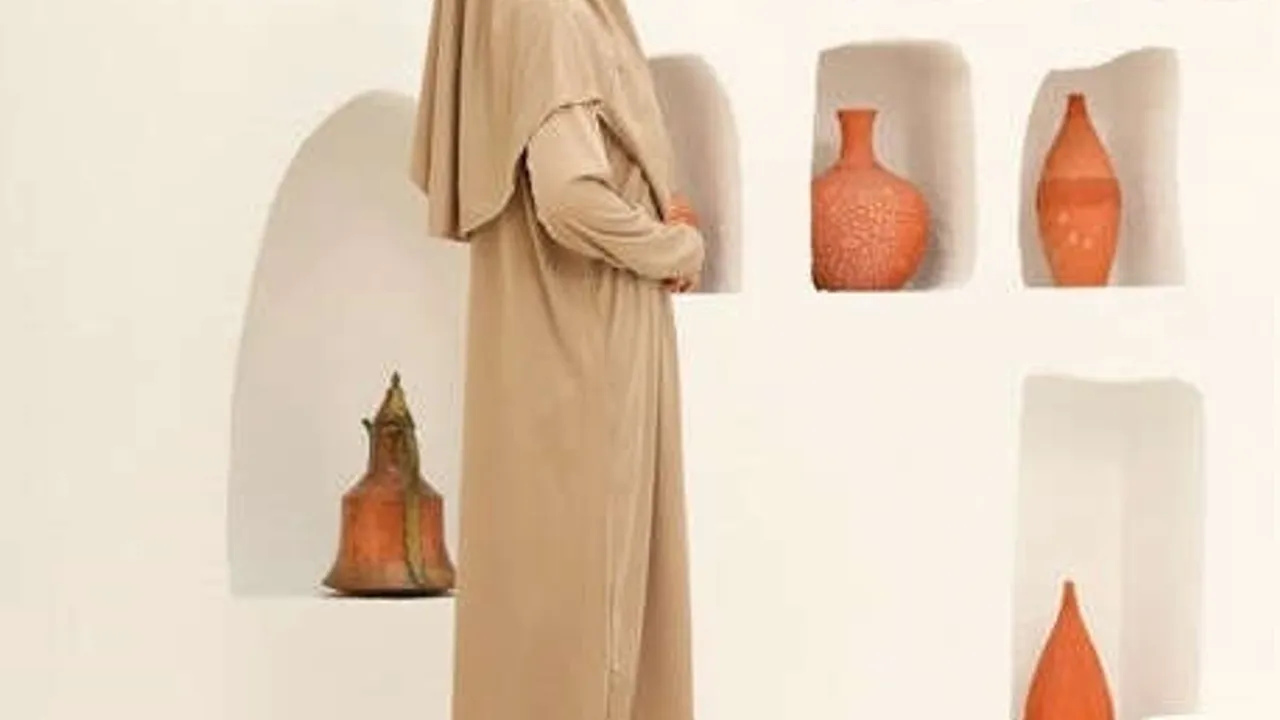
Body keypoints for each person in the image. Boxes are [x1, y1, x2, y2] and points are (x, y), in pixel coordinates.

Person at [408, 0, 707, 718]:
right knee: (597, 613)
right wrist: (674, 246)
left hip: (537, 347)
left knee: (539, 598)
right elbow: (569, 197)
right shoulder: (556, 16)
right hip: (591, 339)